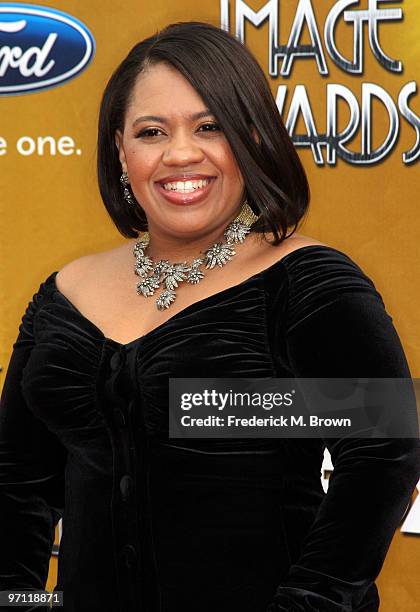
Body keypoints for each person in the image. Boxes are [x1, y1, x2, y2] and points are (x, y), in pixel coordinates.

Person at [0, 20, 418, 612]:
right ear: (121, 150)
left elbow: (383, 454)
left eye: (209, 126)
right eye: (151, 131)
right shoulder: (62, 295)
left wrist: (310, 602)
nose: (180, 153)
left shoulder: (308, 285)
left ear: (249, 138)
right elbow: (19, 482)